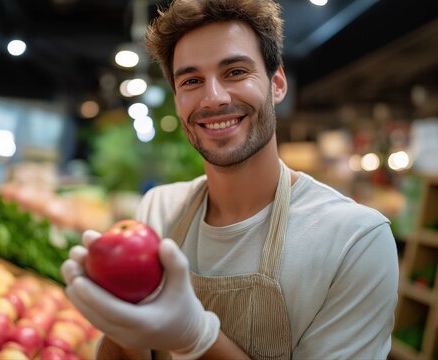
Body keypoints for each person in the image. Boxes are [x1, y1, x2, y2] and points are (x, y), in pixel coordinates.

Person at [61, 0, 399, 359]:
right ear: (177, 101)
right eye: (191, 81)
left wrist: (197, 338)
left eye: (235, 72)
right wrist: (124, 330)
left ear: (277, 84)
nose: (214, 98)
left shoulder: (355, 241)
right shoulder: (160, 210)